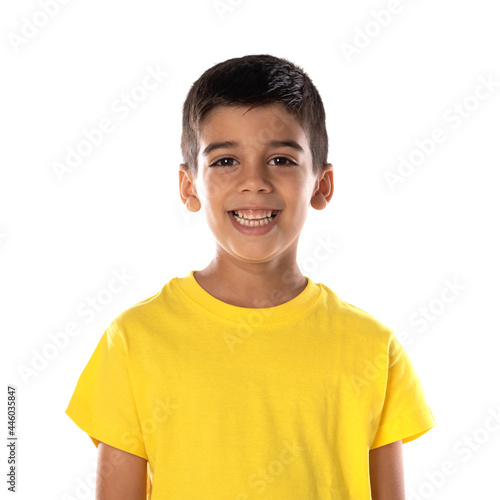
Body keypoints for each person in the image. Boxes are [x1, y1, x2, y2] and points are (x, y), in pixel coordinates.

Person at [65, 54, 436, 499]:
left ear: (322, 184)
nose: (254, 181)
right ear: (189, 186)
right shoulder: (133, 341)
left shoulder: (375, 349)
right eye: (225, 162)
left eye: (280, 159)